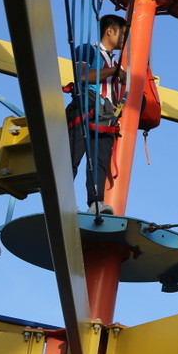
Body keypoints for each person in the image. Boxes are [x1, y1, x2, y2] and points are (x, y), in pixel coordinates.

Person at [66, 13, 127, 215]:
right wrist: (114, 72)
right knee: (72, 158)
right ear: (110, 31)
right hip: (85, 109)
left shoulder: (112, 62)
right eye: (123, 34)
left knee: (99, 162)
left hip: (106, 116)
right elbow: (82, 76)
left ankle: (96, 203)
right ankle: (62, 200)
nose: (124, 39)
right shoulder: (88, 50)